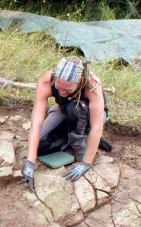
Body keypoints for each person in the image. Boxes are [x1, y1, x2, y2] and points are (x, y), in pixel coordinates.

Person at [22, 55, 110, 189]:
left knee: (75, 109)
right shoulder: (46, 81)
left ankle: (80, 145)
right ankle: (69, 137)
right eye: (59, 87)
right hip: (63, 111)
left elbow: (97, 127)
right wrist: (30, 162)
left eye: (68, 89)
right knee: (38, 145)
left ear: (79, 81)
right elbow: (36, 123)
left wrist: (86, 163)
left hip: (88, 117)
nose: (62, 92)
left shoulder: (92, 86)